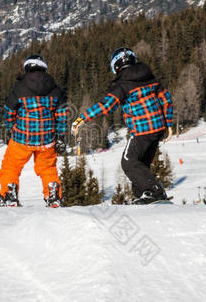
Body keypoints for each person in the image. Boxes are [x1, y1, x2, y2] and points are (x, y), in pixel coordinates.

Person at [72, 47, 173, 204]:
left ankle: (156, 192)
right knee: (141, 164)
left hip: (141, 131)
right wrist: (169, 123)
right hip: (158, 129)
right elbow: (165, 99)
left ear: (116, 66)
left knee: (128, 162)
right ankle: (142, 195)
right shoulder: (150, 78)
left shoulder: (123, 85)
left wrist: (83, 118)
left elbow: (106, 105)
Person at [0, 54, 67, 207]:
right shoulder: (55, 89)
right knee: (48, 168)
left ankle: (10, 194)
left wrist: (10, 129)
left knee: (11, 166)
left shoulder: (20, 87)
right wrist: (61, 136)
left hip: (22, 138)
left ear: (27, 68)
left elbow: (9, 111)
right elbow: (62, 115)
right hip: (47, 140)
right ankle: (53, 196)